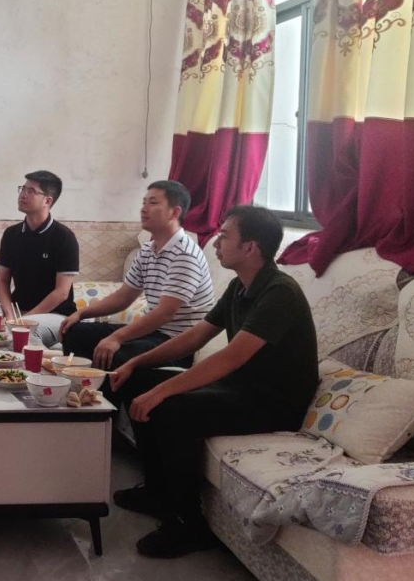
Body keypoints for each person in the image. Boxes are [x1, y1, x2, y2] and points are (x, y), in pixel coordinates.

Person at [109, 205, 319, 558]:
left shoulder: (280, 292)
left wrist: (161, 392)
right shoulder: (239, 286)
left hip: (273, 403)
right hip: (241, 387)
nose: (216, 243)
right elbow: (196, 336)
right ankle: (158, 492)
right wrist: (135, 362)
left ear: (250, 247)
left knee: (170, 408)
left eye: (224, 236)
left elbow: (230, 357)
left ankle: (189, 524)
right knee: (137, 381)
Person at [59, 180, 214, 371]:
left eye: (153, 203)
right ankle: (80, 384)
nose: (144, 209)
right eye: (144, 202)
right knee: (74, 332)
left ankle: (99, 389)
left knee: (115, 354)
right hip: (152, 333)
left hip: (177, 344)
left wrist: (117, 337)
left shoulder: (185, 254)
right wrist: (81, 313)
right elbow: (123, 297)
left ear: (174, 212)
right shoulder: (147, 250)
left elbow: (165, 313)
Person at [0, 170, 79, 347]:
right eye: (22, 189)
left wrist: (24, 320)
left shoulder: (64, 237)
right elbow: (3, 281)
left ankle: (37, 364)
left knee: (25, 333)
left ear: (47, 201)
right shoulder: (11, 234)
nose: (23, 194)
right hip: (18, 310)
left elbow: (61, 293)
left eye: (31, 191)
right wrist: (9, 315)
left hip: (55, 314)